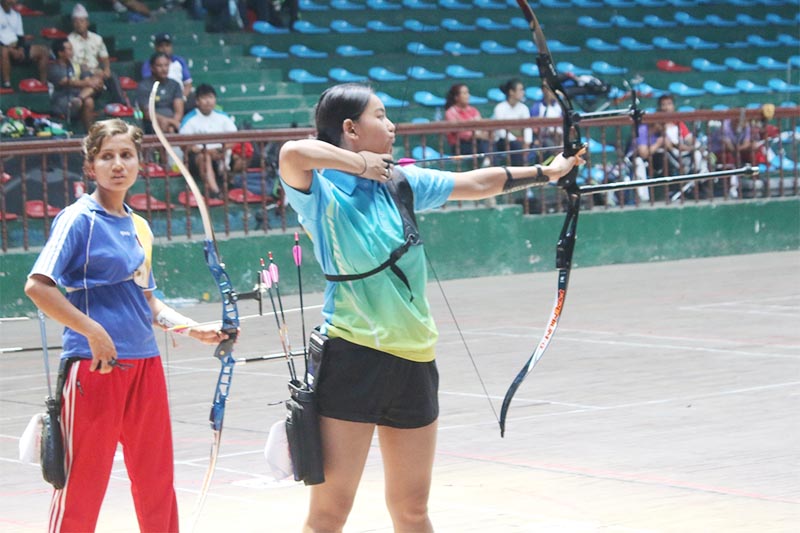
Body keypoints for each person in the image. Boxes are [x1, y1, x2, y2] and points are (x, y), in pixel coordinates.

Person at [277, 83, 584, 533]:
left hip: (415, 360)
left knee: (412, 510)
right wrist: (361, 164)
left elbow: (478, 182)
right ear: (350, 129)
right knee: (328, 515)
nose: (391, 124)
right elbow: (292, 153)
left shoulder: (401, 182)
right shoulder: (321, 192)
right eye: (380, 116)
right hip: (352, 359)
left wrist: (549, 171)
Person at [23, 118, 226, 532]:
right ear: (90, 165)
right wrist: (93, 331)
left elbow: (147, 301)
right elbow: (37, 286)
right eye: (107, 156)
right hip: (94, 368)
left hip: (146, 366)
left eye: (126, 155)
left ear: (139, 163)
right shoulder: (78, 218)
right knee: (81, 486)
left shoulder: (140, 226)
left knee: (156, 483)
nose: (118, 165)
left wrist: (192, 328)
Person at [179, 83, 239, 196]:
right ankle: (215, 191)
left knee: (243, 154)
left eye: (211, 97)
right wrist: (207, 152)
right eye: (204, 98)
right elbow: (185, 146)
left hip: (220, 154)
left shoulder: (223, 117)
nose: (208, 101)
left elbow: (234, 139)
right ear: (197, 101)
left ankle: (232, 183)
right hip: (197, 159)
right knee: (204, 157)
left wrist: (221, 149)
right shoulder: (189, 119)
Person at [68, 4, 127, 104]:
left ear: (87, 23)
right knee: (94, 79)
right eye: (76, 21)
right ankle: (82, 98)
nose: (79, 24)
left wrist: (106, 69)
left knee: (112, 75)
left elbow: (104, 57)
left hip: (96, 70)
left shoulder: (97, 38)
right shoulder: (69, 40)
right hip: (79, 71)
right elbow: (70, 61)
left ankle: (121, 104)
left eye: (81, 21)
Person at [47, 38, 102, 131]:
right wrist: (89, 82)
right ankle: (79, 100)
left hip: (79, 98)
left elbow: (89, 80)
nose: (72, 52)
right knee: (89, 96)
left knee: (89, 100)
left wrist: (94, 81)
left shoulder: (77, 65)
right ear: (60, 53)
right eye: (69, 49)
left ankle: (91, 134)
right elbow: (67, 82)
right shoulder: (54, 68)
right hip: (63, 101)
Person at [0, 0, 48, 89]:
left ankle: (43, 85)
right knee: (4, 51)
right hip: (3, 47)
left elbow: (20, 37)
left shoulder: (16, 15)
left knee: (43, 50)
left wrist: (21, 48)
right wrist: (10, 49)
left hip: (16, 45)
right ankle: (7, 84)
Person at [140, 32, 194, 108]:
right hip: (159, 98)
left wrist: (182, 98)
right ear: (156, 47)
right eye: (161, 46)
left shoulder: (179, 61)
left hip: (180, 96)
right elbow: (148, 84)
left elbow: (188, 83)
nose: (164, 49)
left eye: (167, 45)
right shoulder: (149, 64)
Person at [135, 52, 184, 134]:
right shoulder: (144, 86)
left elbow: (179, 111)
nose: (164, 69)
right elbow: (147, 113)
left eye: (166, 65)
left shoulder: (175, 84)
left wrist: (172, 124)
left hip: (172, 124)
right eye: (160, 66)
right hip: (152, 123)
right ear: (152, 68)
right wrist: (168, 121)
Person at [491, 78, 532, 167]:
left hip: (520, 139)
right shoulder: (500, 108)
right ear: (511, 92)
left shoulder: (523, 108)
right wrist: (516, 140)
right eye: (520, 90)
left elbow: (528, 127)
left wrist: (527, 142)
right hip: (502, 141)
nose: (523, 92)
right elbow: (501, 131)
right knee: (517, 146)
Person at [443, 83, 490, 161]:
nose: (468, 96)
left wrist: (483, 134)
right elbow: (461, 133)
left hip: (477, 141)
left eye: (468, 93)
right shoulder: (451, 112)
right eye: (464, 93)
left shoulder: (473, 110)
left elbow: (481, 124)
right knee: (483, 146)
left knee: (491, 144)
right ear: (456, 97)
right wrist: (476, 135)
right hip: (461, 145)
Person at [528, 84, 563, 163]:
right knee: (551, 146)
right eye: (550, 90)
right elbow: (534, 127)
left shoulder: (559, 106)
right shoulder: (537, 107)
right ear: (544, 91)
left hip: (561, 137)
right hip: (545, 138)